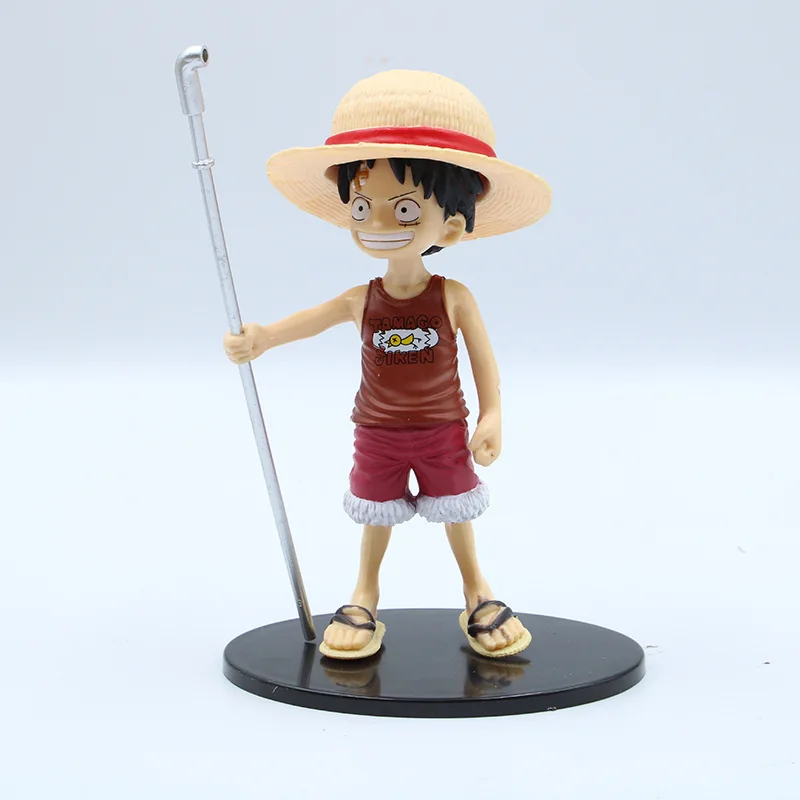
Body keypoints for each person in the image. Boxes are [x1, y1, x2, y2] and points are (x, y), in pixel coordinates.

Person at [223, 69, 551, 660]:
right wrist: (264, 337)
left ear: (452, 225)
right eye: (361, 206)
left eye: (403, 210)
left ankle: (477, 591)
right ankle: (364, 595)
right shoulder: (362, 300)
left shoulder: (453, 296)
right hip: (376, 431)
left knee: (456, 509)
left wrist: (493, 415)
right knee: (376, 512)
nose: (376, 225)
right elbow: (310, 320)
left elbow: (485, 365)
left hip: (443, 428)